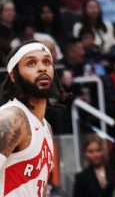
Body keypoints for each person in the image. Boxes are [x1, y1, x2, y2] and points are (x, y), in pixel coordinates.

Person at [0, 41, 66, 196]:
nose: (42, 68)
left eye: (47, 62)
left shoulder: (46, 127)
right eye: (31, 63)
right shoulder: (11, 119)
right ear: (14, 76)